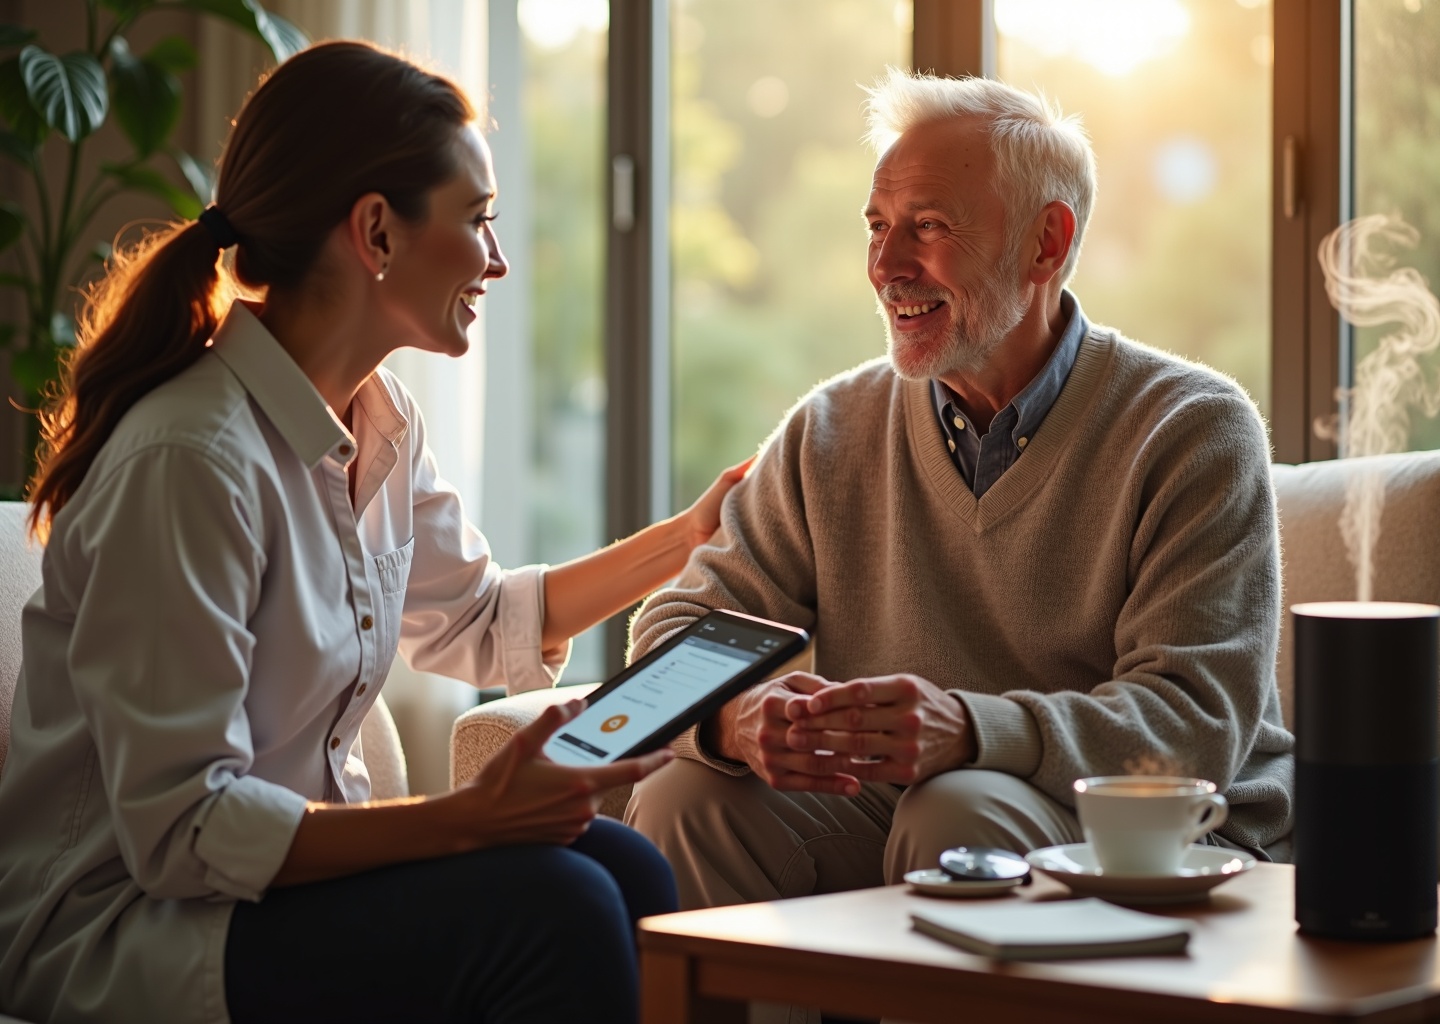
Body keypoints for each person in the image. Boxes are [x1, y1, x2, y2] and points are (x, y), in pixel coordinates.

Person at [0, 41, 747, 1024]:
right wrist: (463, 821)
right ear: (377, 231)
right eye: (477, 219)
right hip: (133, 927)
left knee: (624, 866)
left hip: (263, 893)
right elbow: (184, 830)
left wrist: (689, 537)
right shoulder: (192, 460)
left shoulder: (379, 420)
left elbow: (481, 618)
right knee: (557, 908)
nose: (497, 258)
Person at [624, 69, 1294, 929]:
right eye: (878, 225)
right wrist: (732, 719)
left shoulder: (1193, 429)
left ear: (1046, 243)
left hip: (1160, 827)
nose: (886, 266)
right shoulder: (829, 431)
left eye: (929, 226)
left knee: (958, 811)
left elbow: (1193, 724)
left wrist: (971, 733)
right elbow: (677, 630)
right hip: (910, 804)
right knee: (688, 801)